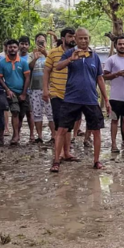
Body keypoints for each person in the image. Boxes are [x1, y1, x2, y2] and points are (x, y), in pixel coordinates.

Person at [52, 28, 110, 172]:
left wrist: (106, 99)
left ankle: (96, 161)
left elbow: (100, 78)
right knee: (62, 129)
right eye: (81, 38)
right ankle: (56, 160)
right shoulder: (69, 53)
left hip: (90, 99)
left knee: (96, 130)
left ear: (89, 39)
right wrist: (70, 59)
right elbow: (57, 67)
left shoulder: (95, 56)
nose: (84, 41)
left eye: (86, 38)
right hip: (71, 98)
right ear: (75, 39)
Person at [44, 28, 77, 163]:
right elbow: (46, 71)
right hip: (56, 92)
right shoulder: (53, 53)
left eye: (74, 36)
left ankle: (67, 152)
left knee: (69, 124)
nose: (73, 39)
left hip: (72, 94)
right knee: (59, 123)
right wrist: (45, 89)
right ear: (63, 38)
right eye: (70, 36)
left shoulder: (78, 53)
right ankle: (59, 154)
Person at [0, 39, 31, 145]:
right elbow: (0, 78)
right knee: (15, 112)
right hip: (11, 92)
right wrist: (7, 90)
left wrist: (24, 93)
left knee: (21, 114)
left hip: (23, 91)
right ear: (7, 48)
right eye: (10, 47)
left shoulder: (23, 62)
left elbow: (27, 78)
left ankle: (17, 133)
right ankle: (15, 135)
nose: (12, 49)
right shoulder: (2, 63)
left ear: (17, 48)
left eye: (14, 47)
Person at [28, 33, 54, 143]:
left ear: (46, 43)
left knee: (51, 113)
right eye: (39, 41)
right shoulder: (31, 54)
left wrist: (45, 53)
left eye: (43, 41)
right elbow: (29, 67)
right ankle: (39, 136)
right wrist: (35, 58)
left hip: (48, 88)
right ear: (35, 42)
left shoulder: (50, 54)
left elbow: (54, 65)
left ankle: (54, 135)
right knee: (37, 113)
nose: (41, 43)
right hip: (34, 88)